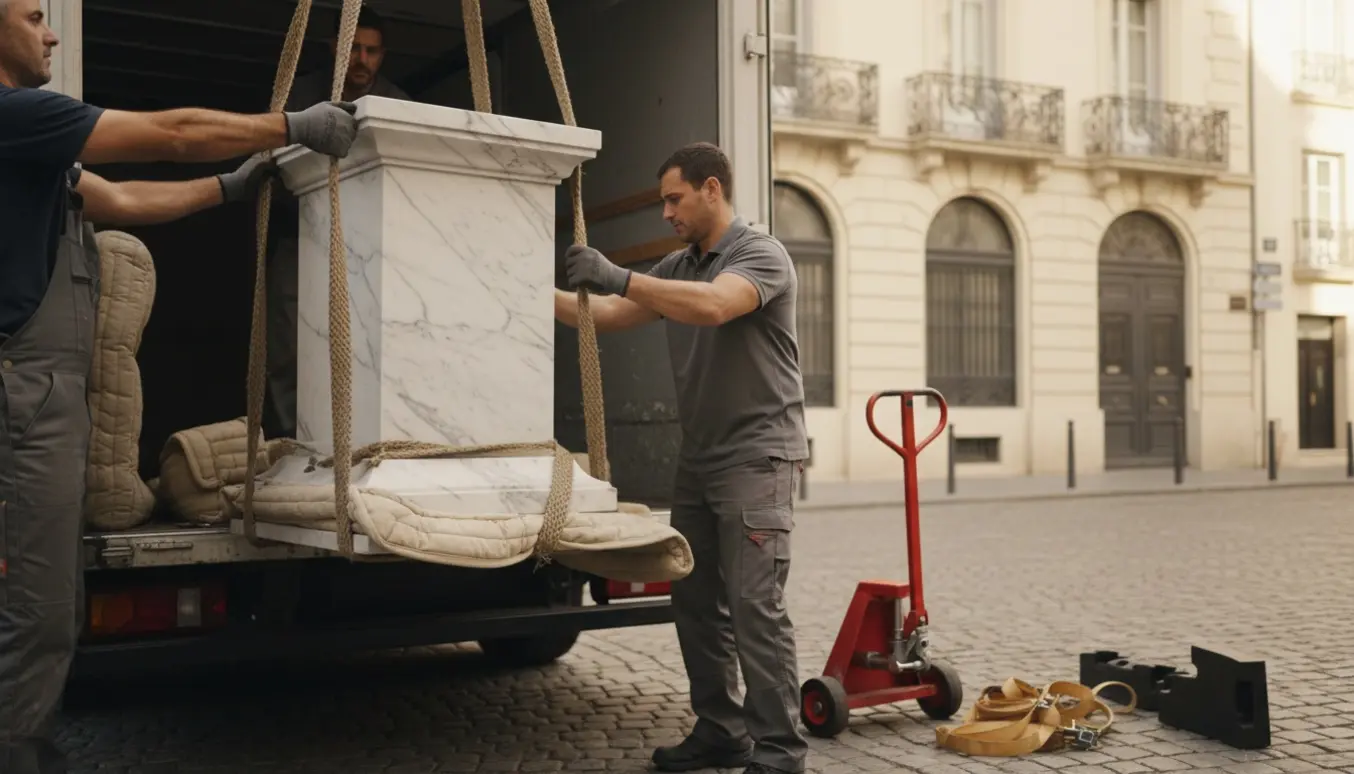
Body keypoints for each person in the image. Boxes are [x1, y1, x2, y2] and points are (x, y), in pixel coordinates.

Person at [0, 0, 358, 770]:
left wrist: (225, 190)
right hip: (24, 397)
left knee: (51, 604)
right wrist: (291, 127)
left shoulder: (37, 151)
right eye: (33, 17)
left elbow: (126, 199)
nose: (52, 29)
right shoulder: (14, 116)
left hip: (49, 397)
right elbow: (172, 131)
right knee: (31, 611)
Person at [554, 142, 810, 774]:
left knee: (755, 609)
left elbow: (716, 306)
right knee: (693, 601)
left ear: (712, 189)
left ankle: (780, 753)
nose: (666, 211)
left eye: (675, 198)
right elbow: (612, 313)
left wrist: (618, 273)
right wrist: (518, 292)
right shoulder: (679, 264)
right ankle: (722, 730)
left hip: (759, 457)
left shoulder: (759, 255)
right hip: (700, 461)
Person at [264, 5, 410, 439]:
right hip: (301, 238)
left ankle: (366, 446)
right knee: (290, 348)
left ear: (383, 55)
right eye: (355, 49)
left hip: (376, 247)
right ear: (336, 47)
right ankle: (293, 446)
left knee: (375, 345)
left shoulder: (397, 105)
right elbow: (269, 163)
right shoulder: (299, 95)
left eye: (372, 51)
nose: (362, 60)